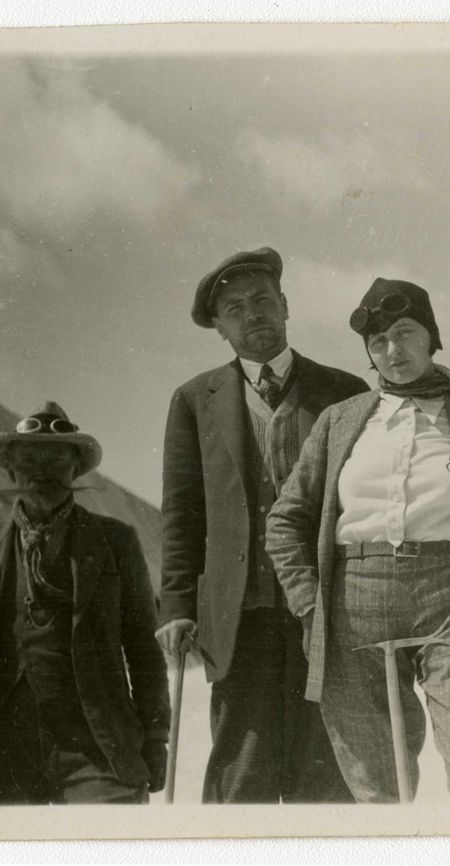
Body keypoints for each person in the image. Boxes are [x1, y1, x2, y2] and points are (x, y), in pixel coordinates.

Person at [266, 278, 450, 803]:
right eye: (378, 342)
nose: (393, 351)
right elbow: (285, 521)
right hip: (354, 605)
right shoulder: (339, 422)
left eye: (405, 332)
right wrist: (307, 603)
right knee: (378, 794)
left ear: (432, 336)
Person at [157, 246, 367, 803]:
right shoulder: (192, 401)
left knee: (326, 773)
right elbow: (182, 516)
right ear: (220, 328)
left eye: (262, 300)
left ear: (286, 306)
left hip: (325, 612)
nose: (253, 315)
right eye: (235, 308)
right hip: (239, 617)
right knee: (242, 772)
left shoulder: (344, 392)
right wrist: (177, 607)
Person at [0, 402, 169, 804]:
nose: (41, 471)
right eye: (28, 458)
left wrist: (156, 738)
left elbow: (144, 651)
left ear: (76, 469)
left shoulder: (116, 542)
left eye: (56, 458)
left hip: (97, 746)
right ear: (10, 470)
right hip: (1, 748)